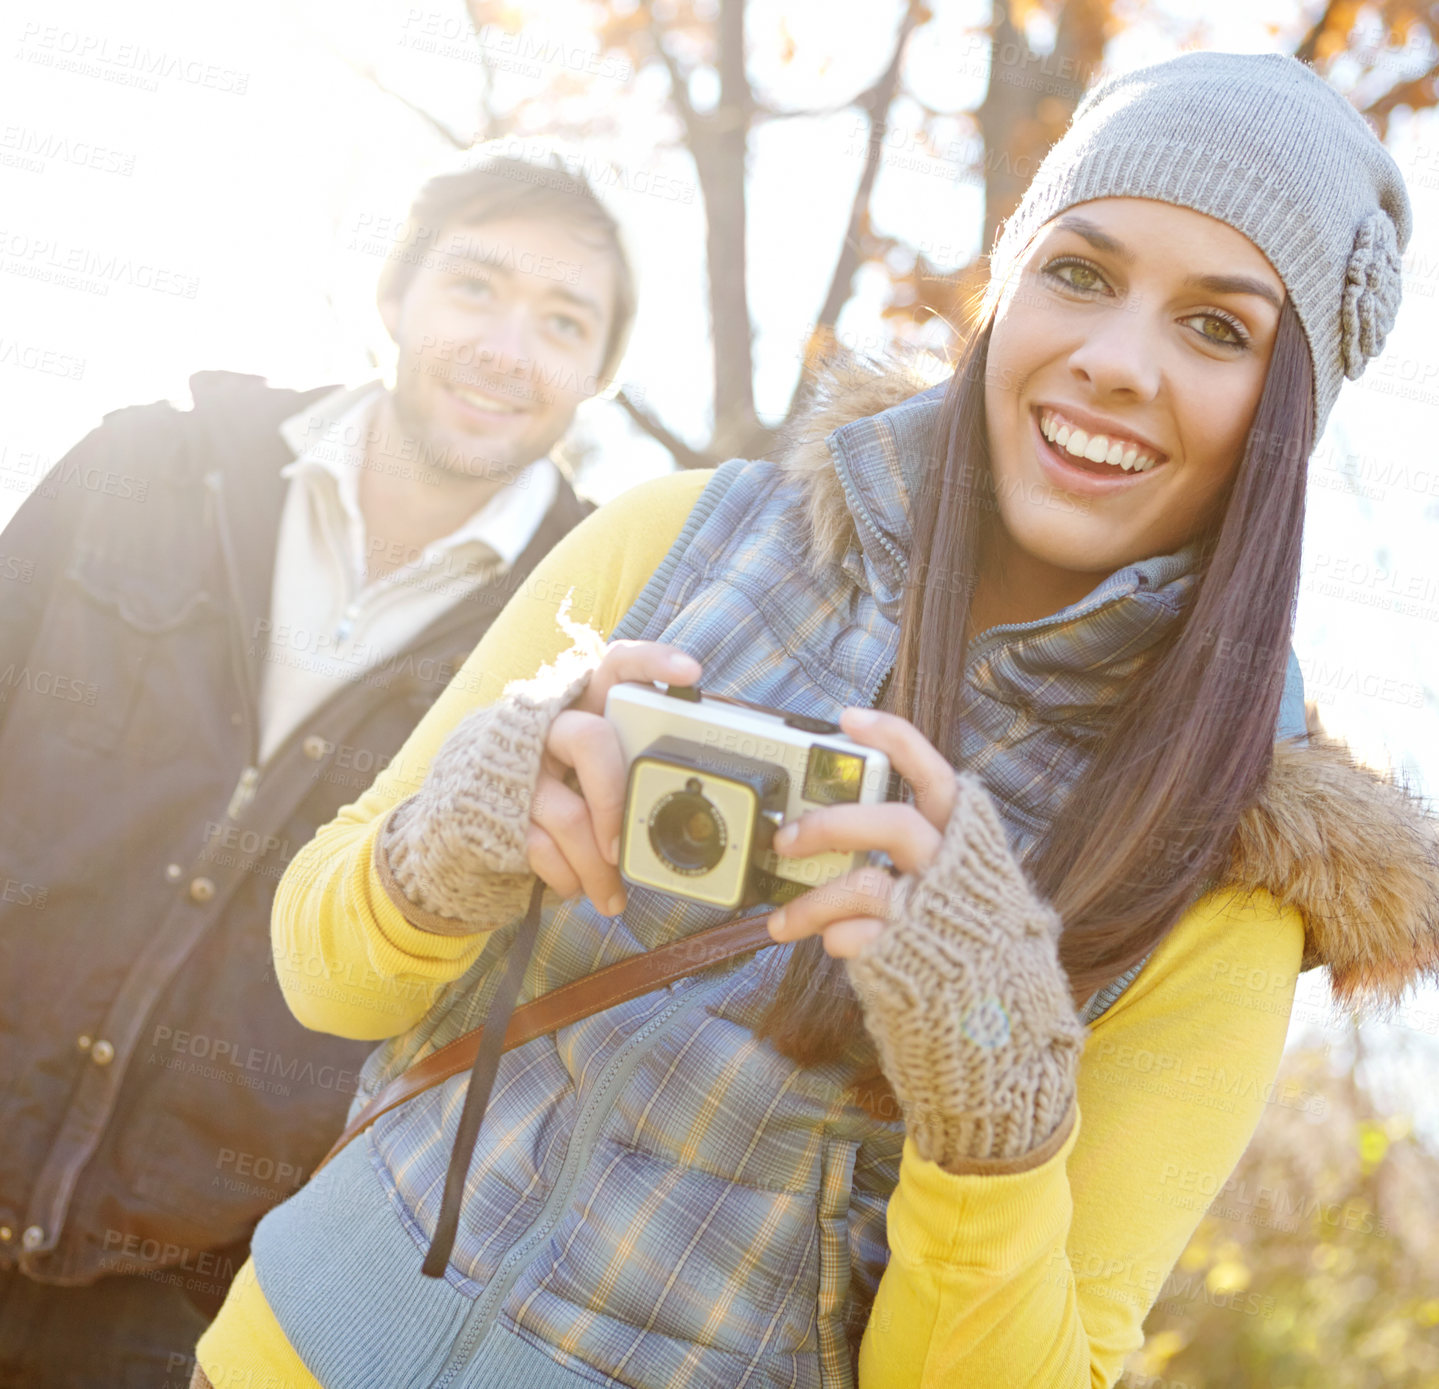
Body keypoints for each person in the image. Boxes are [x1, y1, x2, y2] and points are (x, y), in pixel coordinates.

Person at [196, 52, 1438, 1389]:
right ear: (1006, 290)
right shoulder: (680, 540)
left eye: (1216, 329)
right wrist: (444, 846)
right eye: (1078, 273)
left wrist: (992, 1086)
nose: (1112, 361)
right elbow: (319, 966)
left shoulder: (1226, 866)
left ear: (1283, 410)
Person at [0, 148, 635, 1387]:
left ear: (596, 377)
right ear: (393, 297)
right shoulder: (145, 465)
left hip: (191, 1310)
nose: (508, 347)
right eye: (475, 287)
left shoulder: (585, 640)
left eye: (563, 322)